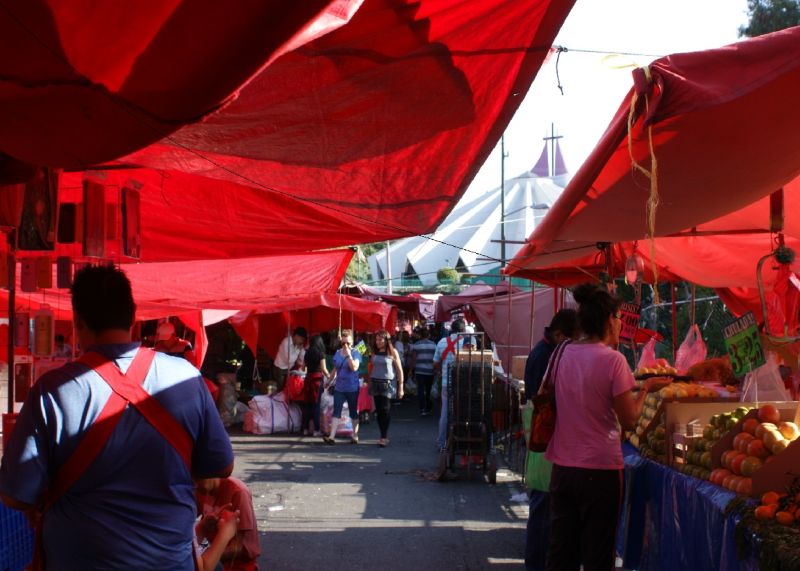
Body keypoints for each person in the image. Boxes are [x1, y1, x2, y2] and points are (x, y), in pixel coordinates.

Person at [0, 264, 234, 569]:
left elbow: (16, 495)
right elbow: (220, 465)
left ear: (78, 321)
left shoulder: (51, 391)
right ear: (133, 315)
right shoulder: (186, 378)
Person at [544, 284, 669, 571]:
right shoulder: (614, 360)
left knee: (561, 551)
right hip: (599, 471)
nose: (621, 322)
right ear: (608, 320)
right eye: (618, 317)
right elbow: (629, 420)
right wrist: (647, 390)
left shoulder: (562, 353)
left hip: (562, 468)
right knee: (598, 554)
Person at [523, 309, 578, 571]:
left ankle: (537, 562)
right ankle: (536, 564)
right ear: (559, 335)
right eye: (573, 339)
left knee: (544, 510)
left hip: (543, 442)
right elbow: (546, 403)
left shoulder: (545, 351)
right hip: (547, 443)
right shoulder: (548, 355)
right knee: (543, 509)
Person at [196, 476, 260, 571]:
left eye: (197, 479)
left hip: (239, 565)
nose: (195, 485)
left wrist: (207, 556)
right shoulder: (200, 490)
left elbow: (237, 548)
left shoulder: (238, 492)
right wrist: (203, 527)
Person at [432, 318, 473, 449]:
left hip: (446, 383)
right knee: (464, 412)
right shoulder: (469, 341)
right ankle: (462, 441)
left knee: (444, 413)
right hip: (464, 384)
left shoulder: (441, 342)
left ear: (451, 329)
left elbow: (436, 363)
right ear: (463, 330)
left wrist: (441, 372)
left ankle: (441, 443)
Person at [524, 309, 579, 402]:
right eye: (572, 341)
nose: (574, 345)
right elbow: (540, 396)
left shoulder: (546, 350)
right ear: (558, 334)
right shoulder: (544, 355)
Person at [366, 330, 404, 447]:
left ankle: (384, 436)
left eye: (380, 339)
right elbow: (368, 364)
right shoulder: (373, 352)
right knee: (379, 410)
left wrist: (401, 386)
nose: (378, 342)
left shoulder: (393, 352)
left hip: (388, 384)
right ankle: (382, 435)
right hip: (375, 383)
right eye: (376, 339)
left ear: (386, 340)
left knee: (385, 409)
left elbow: (399, 370)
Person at [324, 329, 361, 444]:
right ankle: (332, 437)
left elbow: (354, 367)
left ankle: (355, 436)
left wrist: (349, 354)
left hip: (352, 388)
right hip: (339, 387)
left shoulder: (356, 353)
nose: (346, 345)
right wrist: (329, 381)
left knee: (353, 412)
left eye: (348, 343)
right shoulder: (337, 353)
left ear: (352, 342)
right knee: (336, 411)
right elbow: (335, 369)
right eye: (344, 343)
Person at [302, 335, 330, 436]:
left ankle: (305, 429)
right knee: (316, 405)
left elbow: (302, 367)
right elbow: (324, 368)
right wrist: (330, 376)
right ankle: (316, 430)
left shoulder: (307, 353)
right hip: (317, 380)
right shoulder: (321, 353)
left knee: (307, 404)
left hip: (308, 379)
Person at [409, 327, 437, 416]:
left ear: (420, 335)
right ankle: (428, 406)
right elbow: (436, 359)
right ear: (428, 335)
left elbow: (413, 359)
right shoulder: (433, 345)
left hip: (419, 371)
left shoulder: (416, 345)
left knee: (420, 389)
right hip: (430, 371)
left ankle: (422, 408)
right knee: (428, 390)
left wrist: (410, 370)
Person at [272, 326, 307, 393]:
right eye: (301, 339)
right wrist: (298, 350)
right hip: (280, 369)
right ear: (296, 336)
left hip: (289, 368)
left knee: (287, 389)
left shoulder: (297, 344)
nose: (302, 341)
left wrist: (301, 349)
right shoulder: (286, 342)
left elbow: (302, 358)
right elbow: (289, 360)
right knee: (281, 390)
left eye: (303, 340)